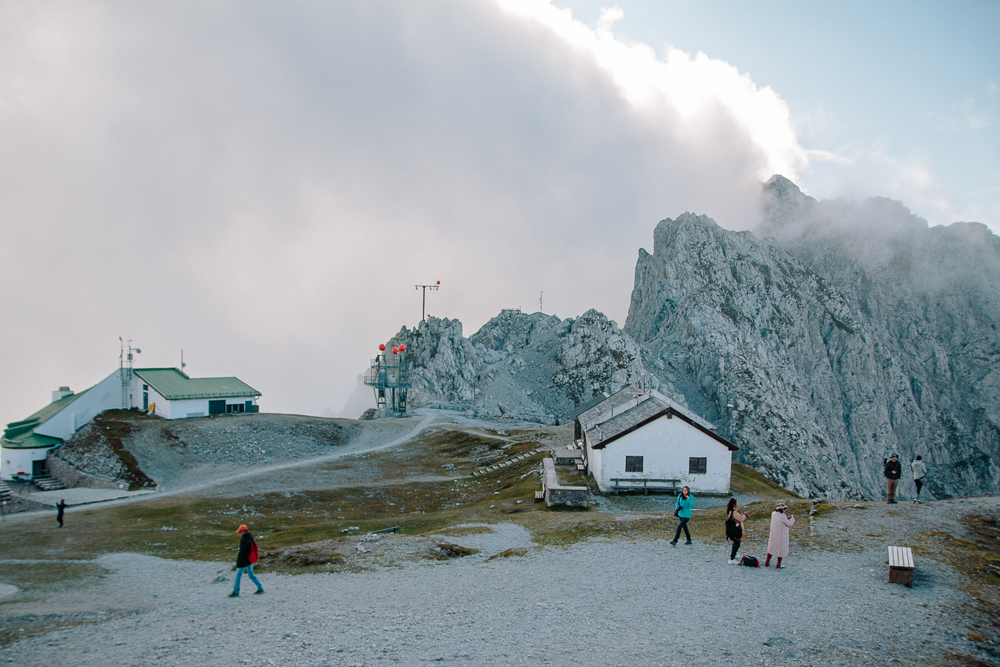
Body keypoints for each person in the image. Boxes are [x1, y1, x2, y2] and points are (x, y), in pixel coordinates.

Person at [229, 524, 264, 597]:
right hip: (249, 560)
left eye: (240, 532)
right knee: (251, 575)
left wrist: (239, 563)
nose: (240, 533)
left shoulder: (244, 540)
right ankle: (260, 588)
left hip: (244, 561)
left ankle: (236, 592)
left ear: (243, 531)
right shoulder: (250, 539)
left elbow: (242, 553)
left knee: (238, 576)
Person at [764, 502, 796, 568]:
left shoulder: (773, 514)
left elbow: (780, 520)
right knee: (780, 549)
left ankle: (767, 561)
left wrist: (786, 517)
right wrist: (793, 519)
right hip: (781, 535)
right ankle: (778, 564)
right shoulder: (782, 516)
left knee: (772, 547)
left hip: (774, 533)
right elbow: (789, 524)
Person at [725, 498, 748, 564]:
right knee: (737, 543)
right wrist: (745, 514)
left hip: (734, 529)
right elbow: (740, 519)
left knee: (736, 543)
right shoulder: (734, 512)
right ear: (734, 504)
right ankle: (732, 558)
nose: (738, 504)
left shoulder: (732, 511)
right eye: (737, 503)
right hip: (736, 530)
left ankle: (734, 555)